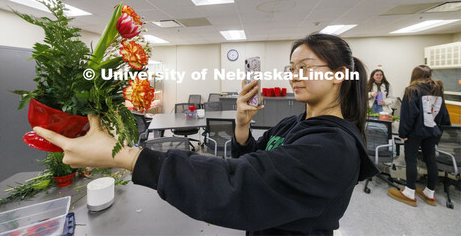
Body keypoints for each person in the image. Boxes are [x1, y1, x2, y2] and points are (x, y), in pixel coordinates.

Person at [34, 33, 378, 236]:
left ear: (339, 76)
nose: (294, 76)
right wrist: (242, 126)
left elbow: (239, 184)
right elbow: (255, 160)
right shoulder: (294, 124)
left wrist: (127, 156)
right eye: (291, 69)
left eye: (304, 68)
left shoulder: (333, 147)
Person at [387, 65, 451, 207]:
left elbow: (409, 115)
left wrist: (403, 133)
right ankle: (430, 192)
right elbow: (444, 113)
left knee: (411, 160)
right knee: (431, 159)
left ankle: (409, 192)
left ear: (414, 75)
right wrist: (442, 130)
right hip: (433, 131)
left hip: (415, 132)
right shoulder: (438, 89)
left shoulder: (412, 90)